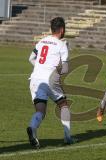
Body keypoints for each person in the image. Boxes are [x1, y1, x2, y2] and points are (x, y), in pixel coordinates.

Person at [27, 17, 73, 148]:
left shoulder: (42, 41)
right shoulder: (62, 44)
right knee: (63, 104)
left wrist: (41, 67)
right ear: (62, 30)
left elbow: (31, 58)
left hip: (35, 79)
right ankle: (68, 137)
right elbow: (65, 69)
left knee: (40, 111)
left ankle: (32, 128)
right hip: (50, 79)